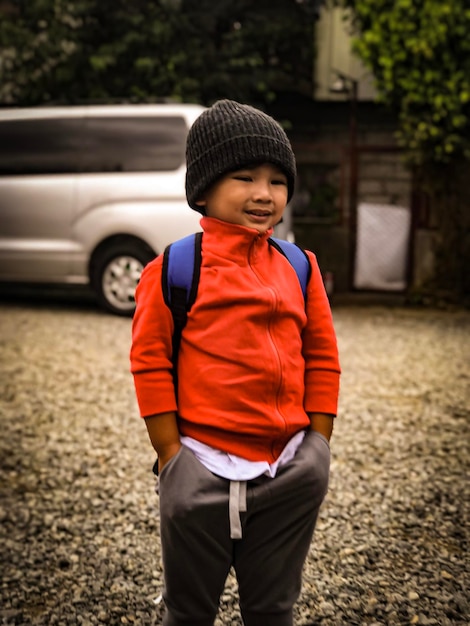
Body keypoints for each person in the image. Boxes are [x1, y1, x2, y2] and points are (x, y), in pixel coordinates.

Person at [130, 99, 341, 626]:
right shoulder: (174, 268)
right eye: (244, 176)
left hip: (288, 470)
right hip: (199, 467)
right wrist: (173, 458)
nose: (264, 194)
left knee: (272, 609)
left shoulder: (300, 266)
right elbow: (150, 364)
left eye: (277, 180)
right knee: (189, 611)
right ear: (203, 189)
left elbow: (323, 357)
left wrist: (316, 448)